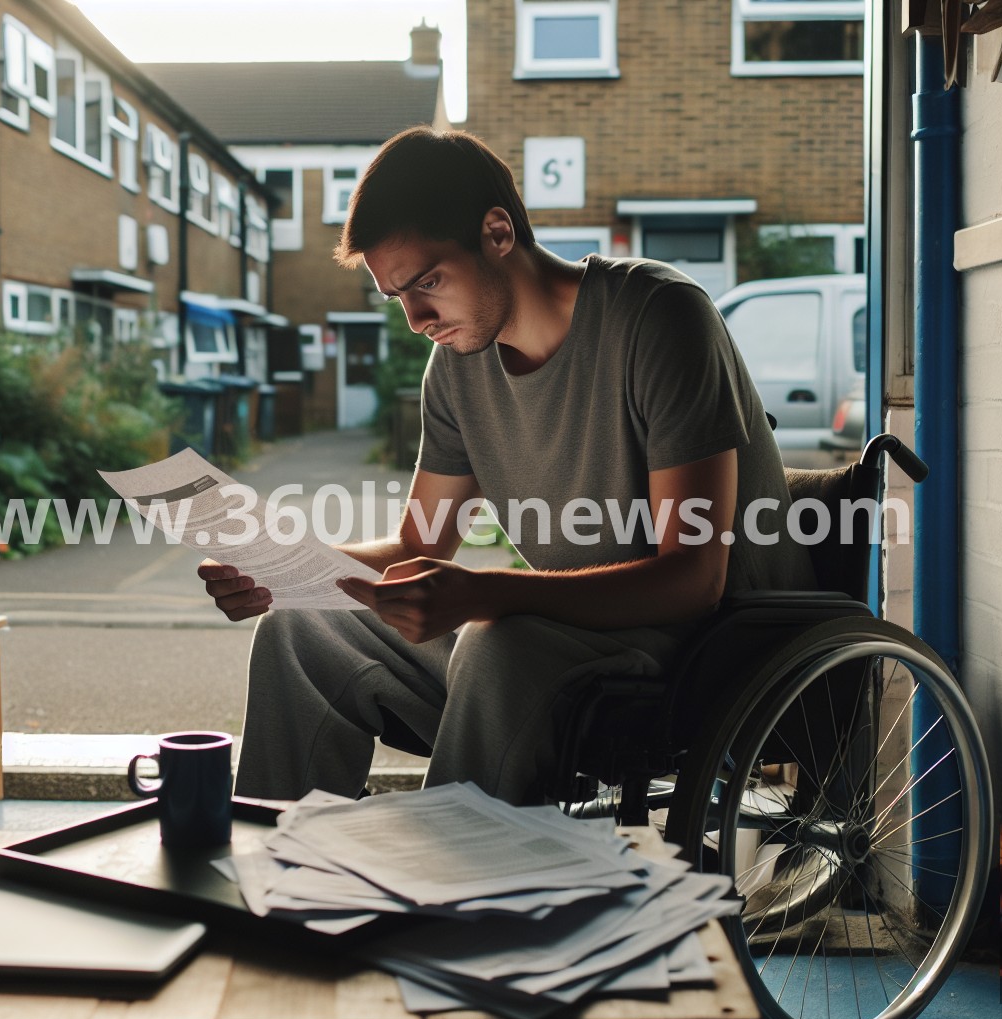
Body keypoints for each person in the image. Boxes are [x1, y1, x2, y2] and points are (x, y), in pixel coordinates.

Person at [198, 127, 815, 804]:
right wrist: (284, 570)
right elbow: (417, 548)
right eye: (398, 297)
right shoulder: (456, 369)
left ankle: (452, 866)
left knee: (495, 641)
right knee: (300, 627)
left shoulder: (660, 316)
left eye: (428, 281)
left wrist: (487, 594)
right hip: (551, 638)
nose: (417, 319)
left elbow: (695, 580)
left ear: (497, 233)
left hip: (702, 652)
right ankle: (279, 861)